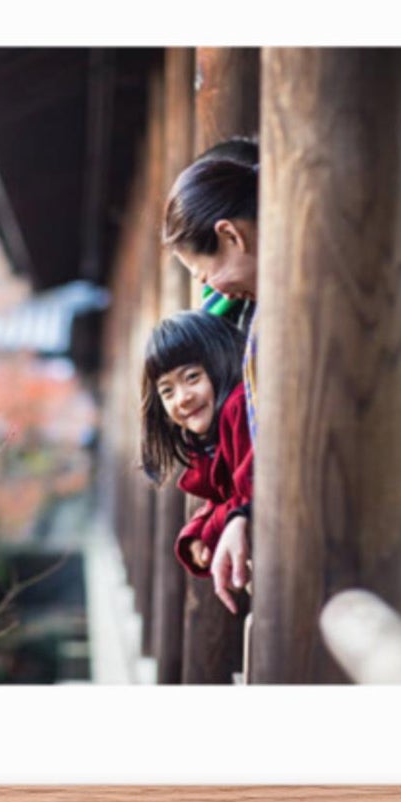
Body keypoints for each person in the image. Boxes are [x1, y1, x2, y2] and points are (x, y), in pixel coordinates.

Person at [161, 145, 259, 611]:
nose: (211, 292)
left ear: (231, 235)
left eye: (206, 275)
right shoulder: (248, 312)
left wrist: (242, 514)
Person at [139, 311, 253, 582]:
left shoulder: (238, 408)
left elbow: (251, 495)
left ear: (221, 363)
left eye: (192, 377)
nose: (182, 398)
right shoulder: (203, 441)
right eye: (167, 391)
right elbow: (223, 499)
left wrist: (208, 530)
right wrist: (195, 532)